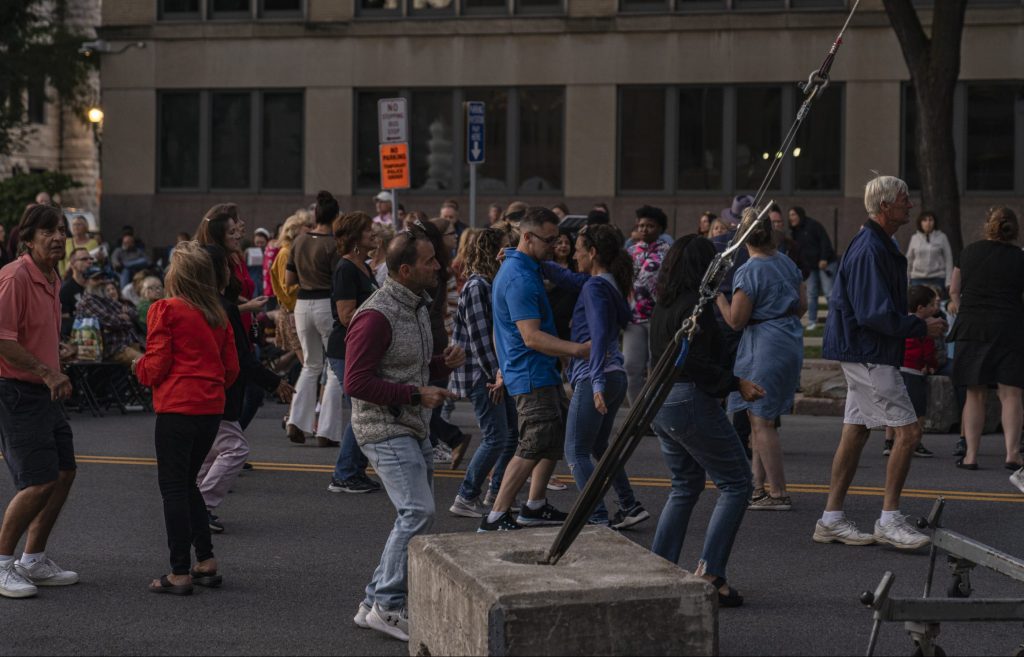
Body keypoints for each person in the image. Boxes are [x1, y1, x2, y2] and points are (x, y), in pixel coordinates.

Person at [343, 228, 464, 642]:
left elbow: (406, 362)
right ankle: (388, 606)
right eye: (430, 261)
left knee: (414, 513)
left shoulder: (414, 305)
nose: (438, 267)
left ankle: (372, 602)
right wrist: (415, 392)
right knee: (417, 512)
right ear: (406, 270)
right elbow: (355, 381)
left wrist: (442, 363)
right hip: (383, 427)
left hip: (412, 425)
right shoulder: (376, 315)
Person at [816, 175, 946, 550]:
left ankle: (831, 518)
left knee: (856, 430)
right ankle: (889, 519)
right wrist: (920, 326)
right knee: (908, 433)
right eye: (904, 200)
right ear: (886, 206)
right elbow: (874, 313)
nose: (910, 205)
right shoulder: (872, 248)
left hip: (861, 350)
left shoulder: (875, 242)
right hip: (869, 353)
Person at [648, 235, 763, 609]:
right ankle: (712, 574)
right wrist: (734, 383)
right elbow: (692, 361)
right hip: (688, 398)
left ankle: (657, 569)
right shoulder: (691, 307)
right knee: (736, 482)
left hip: (662, 401)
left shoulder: (664, 303)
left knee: (685, 483)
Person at [133, 241, 239, 595]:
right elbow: (231, 369)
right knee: (189, 482)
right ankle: (205, 559)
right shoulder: (217, 315)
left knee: (173, 487)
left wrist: (137, 366)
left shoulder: (165, 310)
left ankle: (179, 571)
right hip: (210, 407)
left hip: (177, 406)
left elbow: (157, 365)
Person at [480, 207, 589, 532]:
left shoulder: (523, 264)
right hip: (530, 373)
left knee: (551, 438)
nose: (556, 246)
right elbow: (530, 336)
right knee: (533, 442)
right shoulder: (519, 278)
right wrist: (578, 350)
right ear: (528, 237)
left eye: (557, 239)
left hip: (536, 371)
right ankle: (496, 515)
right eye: (549, 240)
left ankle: (534, 504)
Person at [541, 224, 649, 529]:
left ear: (592, 253)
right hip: (613, 376)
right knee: (600, 446)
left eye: (577, 249)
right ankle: (629, 505)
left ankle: (598, 516)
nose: (573, 255)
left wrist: (597, 381)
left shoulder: (595, 287)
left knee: (574, 451)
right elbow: (568, 277)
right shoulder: (605, 282)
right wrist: (532, 261)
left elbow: (601, 333)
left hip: (596, 376)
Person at [0, 204, 78, 599]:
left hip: (45, 390)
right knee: (38, 480)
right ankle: (1, 564)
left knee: (64, 473)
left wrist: (58, 353)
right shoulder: (14, 277)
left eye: (61, 229)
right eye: (48, 231)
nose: (58, 237)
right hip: (16, 391)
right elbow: (2, 341)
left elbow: (33, 334)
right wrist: (47, 371)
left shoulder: (52, 276)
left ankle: (33, 559)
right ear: (27, 239)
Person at [196, 245, 294, 533]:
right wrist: (276, 382)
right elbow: (242, 359)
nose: (233, 272)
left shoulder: (214, 304)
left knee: (212, 452)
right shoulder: (221, 308)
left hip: (213, 391)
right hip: (220, 391)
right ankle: (201, 505)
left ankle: (196, 504)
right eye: (228, 267)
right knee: (235, 449)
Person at [716, 209, 807, 511]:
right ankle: (757, 488)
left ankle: (778, 493)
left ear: (743, 239)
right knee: (760, 419)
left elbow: (736, 320)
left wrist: (717, 295)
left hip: (763, 346)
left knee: (763, 422)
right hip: (788, 341)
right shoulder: (788, 263)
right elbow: (802, 305)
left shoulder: (749, 271)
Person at [448, 228, 519, 517]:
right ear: (492, 251)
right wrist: (495, 377)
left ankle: (497, 492)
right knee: (495, 437)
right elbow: (479, 339)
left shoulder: (491, 282)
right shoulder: (477, 286)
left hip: (496, 372)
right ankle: (466, 495)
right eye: (505, 248)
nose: (509, 253)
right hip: (482, 376)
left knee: (511, 435)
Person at [947, 207, 1024, 474]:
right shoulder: (1020, 257)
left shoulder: (968, 253)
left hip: (972, 327)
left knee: (975, 393)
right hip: (1009, 328)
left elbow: (954, 290)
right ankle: (1012, 455)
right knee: (1011, 393)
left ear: (987, 225)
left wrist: (962, 306)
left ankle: (970, 455)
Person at [325, 212, 382, 495]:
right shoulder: (345, 268)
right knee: (362, 410)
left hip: (361, 349)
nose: (374, 233)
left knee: (365, 410)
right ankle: (345, 474)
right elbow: (346, 315)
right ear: (355, 237)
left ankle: (353, 471)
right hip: (346, 348)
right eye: (369, 230)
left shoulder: (365, 267)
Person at [284, 192, 343, 447]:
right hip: (325, 305)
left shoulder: (298, 241)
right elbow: (339, 282)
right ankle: (327, 431)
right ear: (336, 217)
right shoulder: (334, 245)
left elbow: (289, 281)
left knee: (310, 365)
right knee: (333, 369)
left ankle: (296, 421)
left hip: (302, 305)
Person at [882, 285, 940, 459]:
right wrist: (931, 364)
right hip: (914, 372)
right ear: (921, 308)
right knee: (918, 411)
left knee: (895, 408)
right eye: (931, 305)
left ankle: (889, 441)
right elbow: (927, 351)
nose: (934, 308)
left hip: (898, 368)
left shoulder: (902, 322)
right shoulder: (923, 327)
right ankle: (915, 442)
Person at [623, 205, 672, 408]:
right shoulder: (630, 252)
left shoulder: (668, 252)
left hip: (658, 317)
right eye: (641, 225)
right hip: (633, 318)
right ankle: (636, 412)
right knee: (630, 366)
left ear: (660, 228)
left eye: (650, 225)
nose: (644, 229)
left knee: (656, 367)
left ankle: (655, 415)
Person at [75, 268, 144, 365]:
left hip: (130, 343)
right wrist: (124, 318)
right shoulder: (88, 302)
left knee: (157, 362)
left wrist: (123, 317)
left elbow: (135, 313)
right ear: (85, 282)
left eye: (102, 278)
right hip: (112, 350)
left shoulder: (104, 298)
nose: (100, 281)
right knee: (146, 364)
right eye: (96, 279)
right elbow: (111, 322)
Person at [271, 211, 312, 372]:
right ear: (295, 229)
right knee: (308, 364)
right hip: (292, 312)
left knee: (307, 363)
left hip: (298, 310)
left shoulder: (294, 250)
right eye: (307, 226)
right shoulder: (285, 253)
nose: (311, 229)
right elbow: (286, 287)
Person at [789, 206, 837, 331]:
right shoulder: (794, 232)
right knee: (811, 294)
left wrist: (824, 258)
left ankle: (836, 320)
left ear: (800, 214)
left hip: (825, 264)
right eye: (790, 215)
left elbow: (824, 242)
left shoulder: (813, 226)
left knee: (829, 293)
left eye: (793, 214)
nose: (791, 218)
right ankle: (812, 321)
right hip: (810, 267)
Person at [906, 211, 954, 294]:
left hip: (937, 278)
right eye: (925, 220)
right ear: (920, 222)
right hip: (917, 278)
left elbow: (948, 260)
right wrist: (907, 280)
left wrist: (948, 281)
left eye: (930, 220)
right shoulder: (914, 238)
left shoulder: (942, 237)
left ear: (934, 222)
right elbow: (909, 260)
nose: (928, 223)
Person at [769, 204, 809, 279]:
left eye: (779, 221)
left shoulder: (793, 246)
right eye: (773, 222)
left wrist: (792, 276)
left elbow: (805, 270)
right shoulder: (761, 247)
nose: (776, 225)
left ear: (783, 223)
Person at [60, 247, 93, 337]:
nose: (90, 261)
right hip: (81, 336)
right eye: (84, 259)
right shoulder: (65, 290)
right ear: (73, 264)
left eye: (91, 258)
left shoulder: (97, 284)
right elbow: (65, 323)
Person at [246, 227, 270, 297]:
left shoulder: (270, 254)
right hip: (253, 287)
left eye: (262, 243)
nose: (259, 246)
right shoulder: (248, 252)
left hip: (265, 286)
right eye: (257, 243)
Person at [370, 222, 395, 287]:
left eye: (373, 236)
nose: (369, 238)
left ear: (380, 242)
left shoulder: (387, 267)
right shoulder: (366, 262)